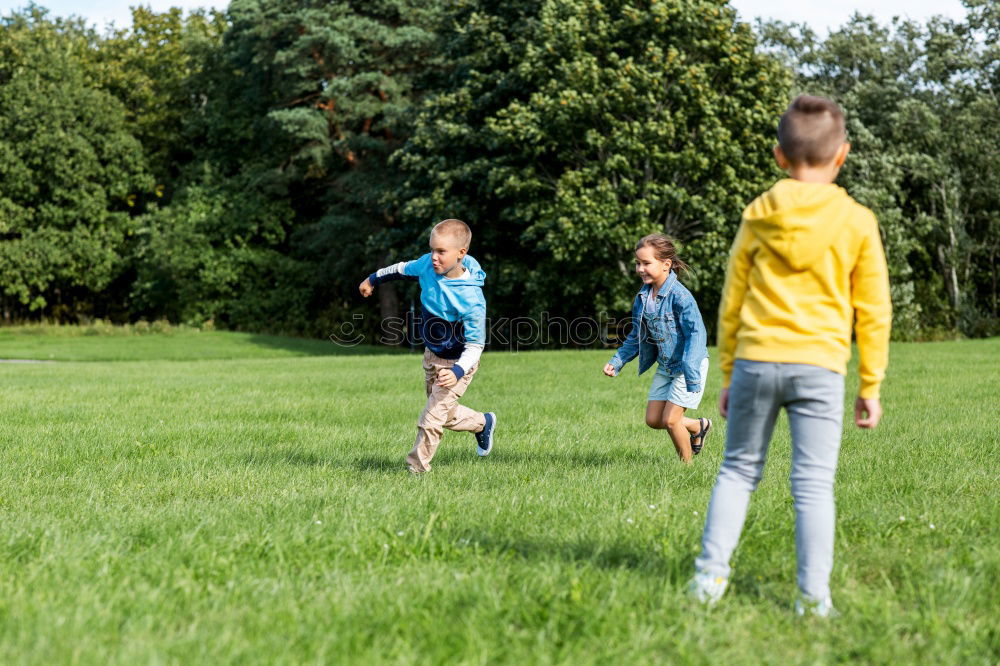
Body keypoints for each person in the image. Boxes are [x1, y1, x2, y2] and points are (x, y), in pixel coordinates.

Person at [689, 95, 892, 616]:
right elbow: (874, 310)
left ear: (780, 157)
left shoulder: (758, 214)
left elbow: (732, 300)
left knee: (737, 471)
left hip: (757, 360)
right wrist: (870, 384)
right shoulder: (857, 221)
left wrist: (729, 373)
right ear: (842, 155)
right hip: (820, 366)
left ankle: (709, 582)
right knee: (814, 484)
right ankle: (813, 599)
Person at [359, 218, 496, 474]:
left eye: (441, 252)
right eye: (432, 249)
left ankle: (416, 471)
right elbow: (401, 268)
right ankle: (482, 423)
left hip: (458, 364)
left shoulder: (471, 298)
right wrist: (373, 279)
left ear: (461, 254)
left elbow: (476, 345)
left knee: (431, 417)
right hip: (432, 355)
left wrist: (456, 371)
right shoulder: (427, 266)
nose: (434, 257)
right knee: (444, 414)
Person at [603, 234, 711, 463]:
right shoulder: (642, 297)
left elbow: (696, 334)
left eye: (646, 263)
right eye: (637, 263)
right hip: (666, 366)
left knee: (671, 420)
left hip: (687, 365)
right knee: (654, 420)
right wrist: (618, 361)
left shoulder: (681, 297)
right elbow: (637, 335)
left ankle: (687, 468)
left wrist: (691, 373)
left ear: (666, 265)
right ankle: (697, 425)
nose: (640, 268)